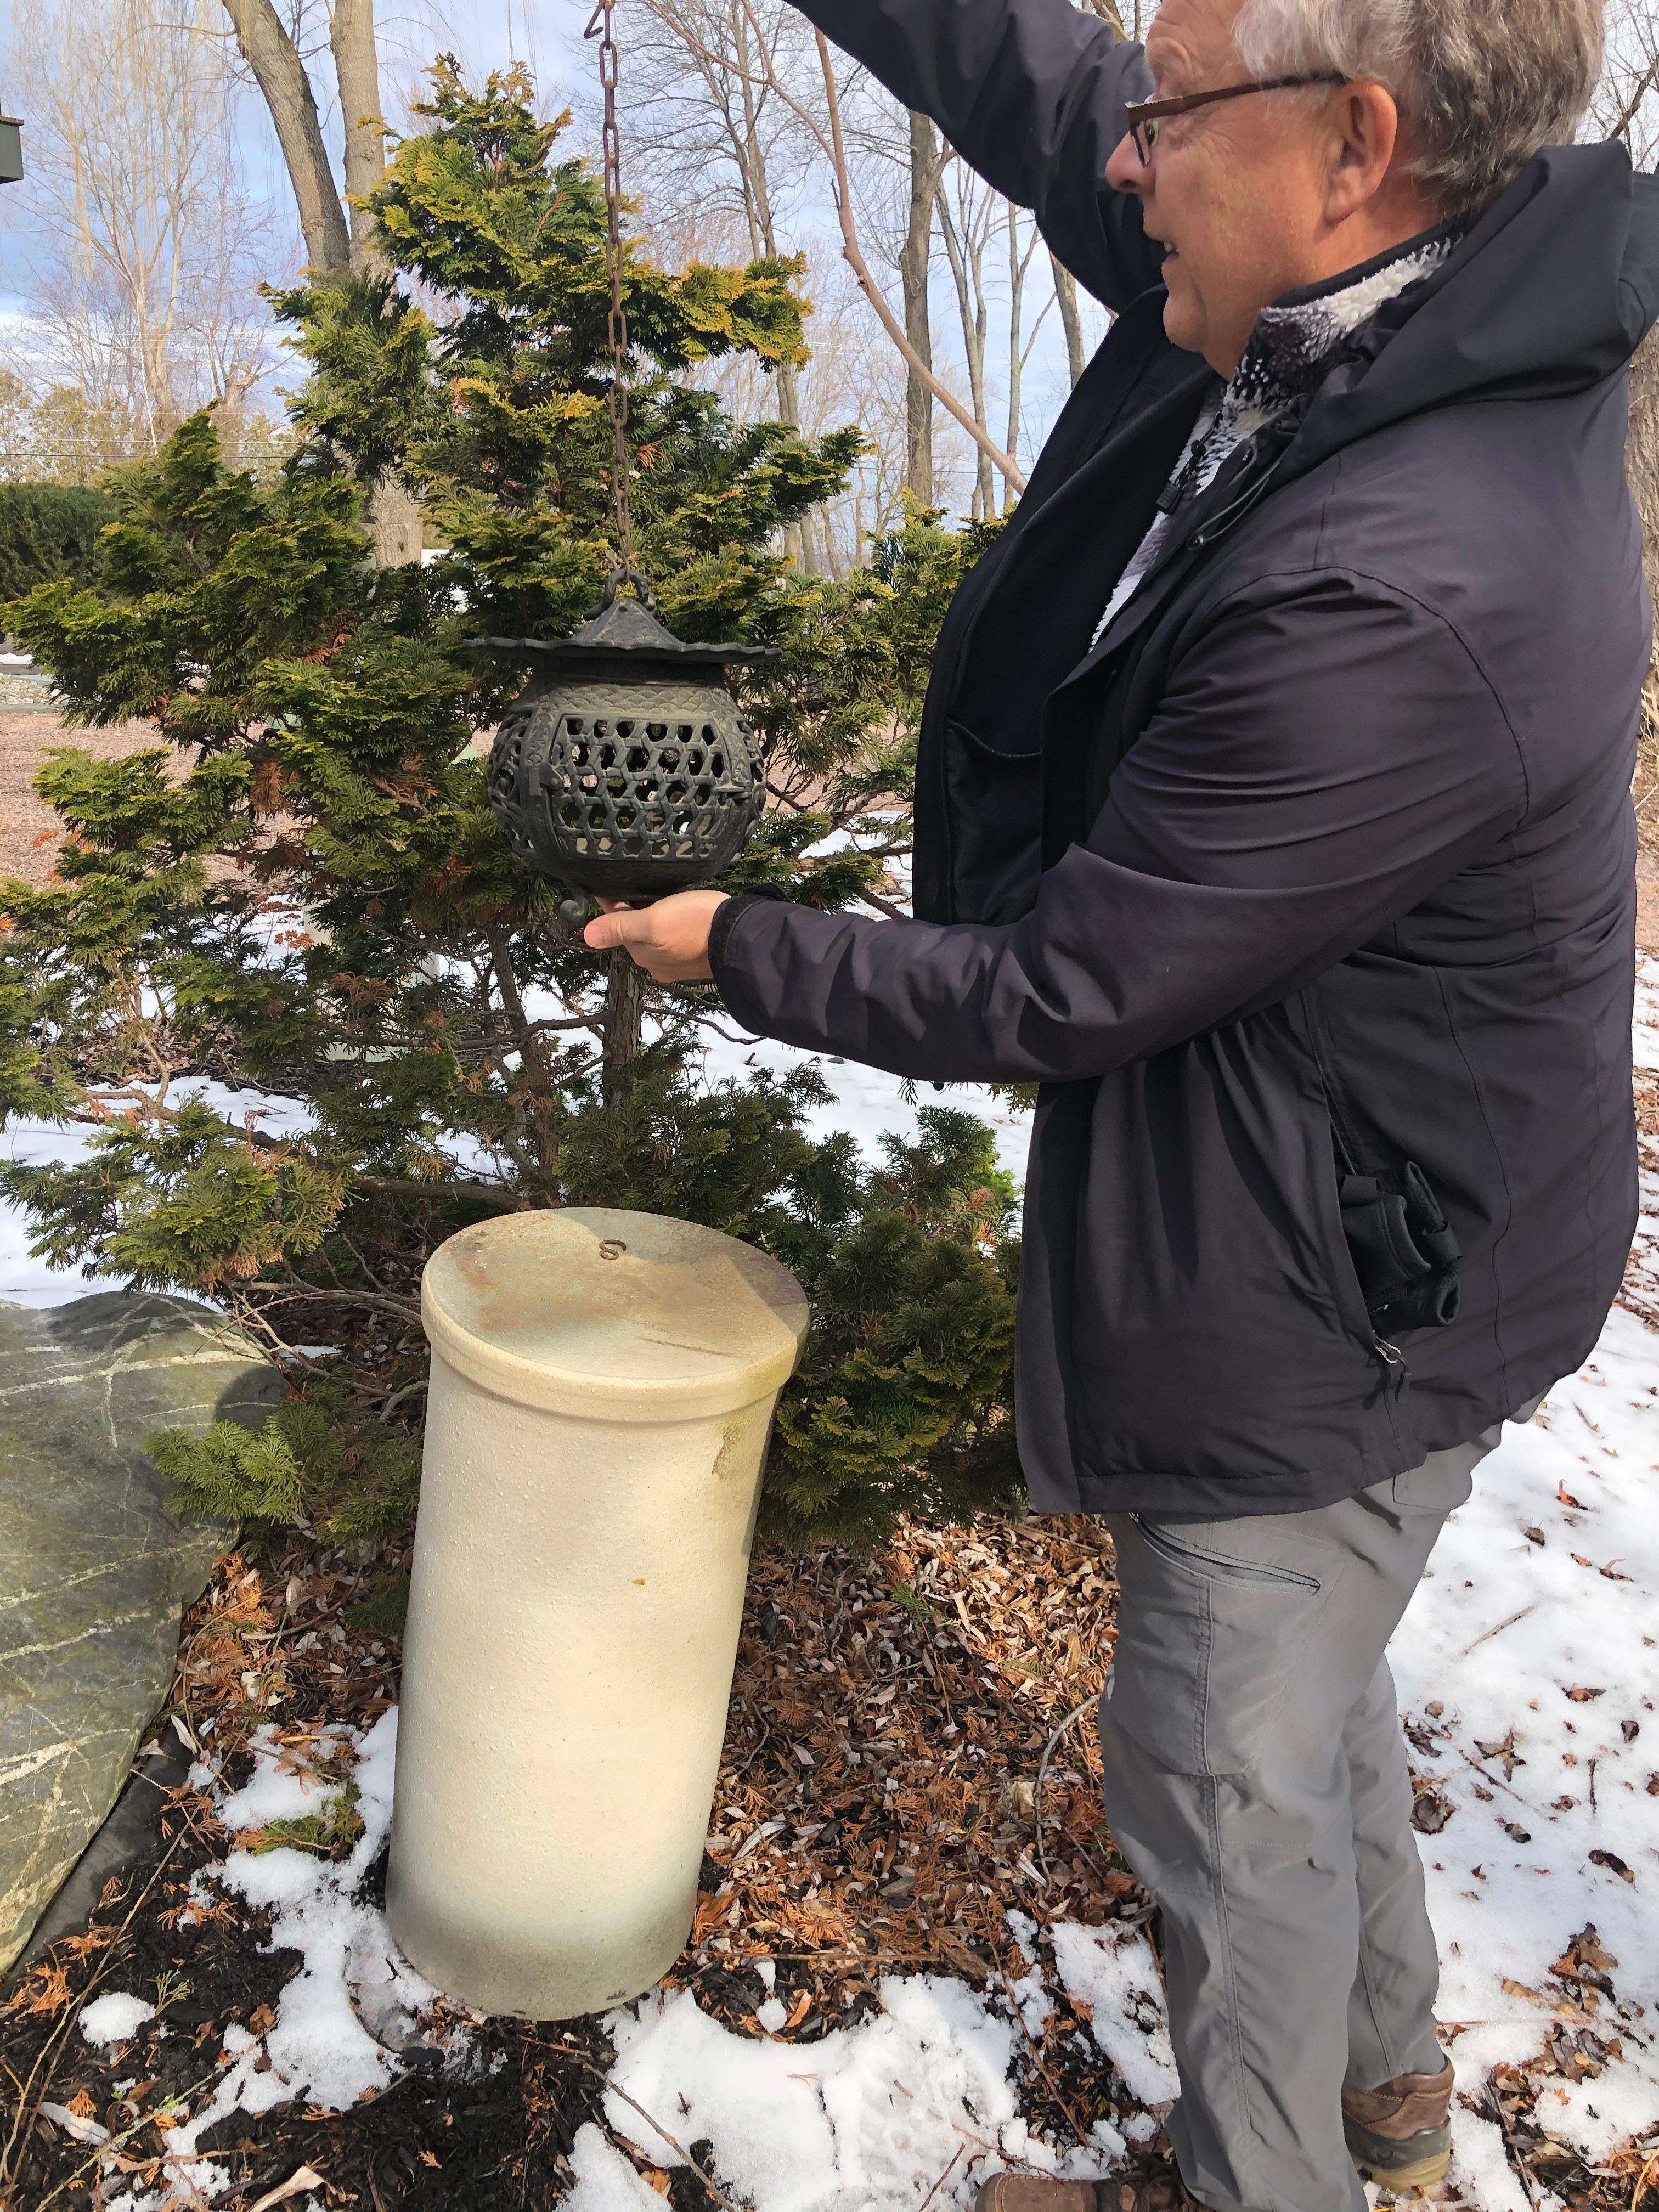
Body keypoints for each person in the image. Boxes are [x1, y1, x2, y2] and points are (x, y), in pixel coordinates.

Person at [588, 0, 1658, 2205]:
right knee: (1309, 1707)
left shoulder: (1409, 576)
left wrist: (739, 946)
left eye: (1172, 121)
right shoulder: (1380, 297)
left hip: (1337, 1294)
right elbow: (1044, 84)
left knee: (1213, 1783)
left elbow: (1078, 981)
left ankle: (1273, 2175)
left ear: (1353, 145)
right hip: (1412, 1204)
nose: (1122, 160)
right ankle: (1389, 2104)